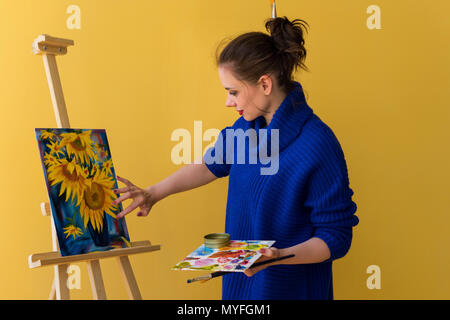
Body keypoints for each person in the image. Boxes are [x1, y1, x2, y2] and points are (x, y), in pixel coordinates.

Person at [112, 16, 359, 300]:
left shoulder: (318, 143)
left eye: (233, 92)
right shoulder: (246, 128)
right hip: (241, 290)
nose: (229, 102)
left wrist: (280, 256)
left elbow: (336, 237)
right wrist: (154, 192)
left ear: (265, 84)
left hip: (289, 290)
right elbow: (210, 164)